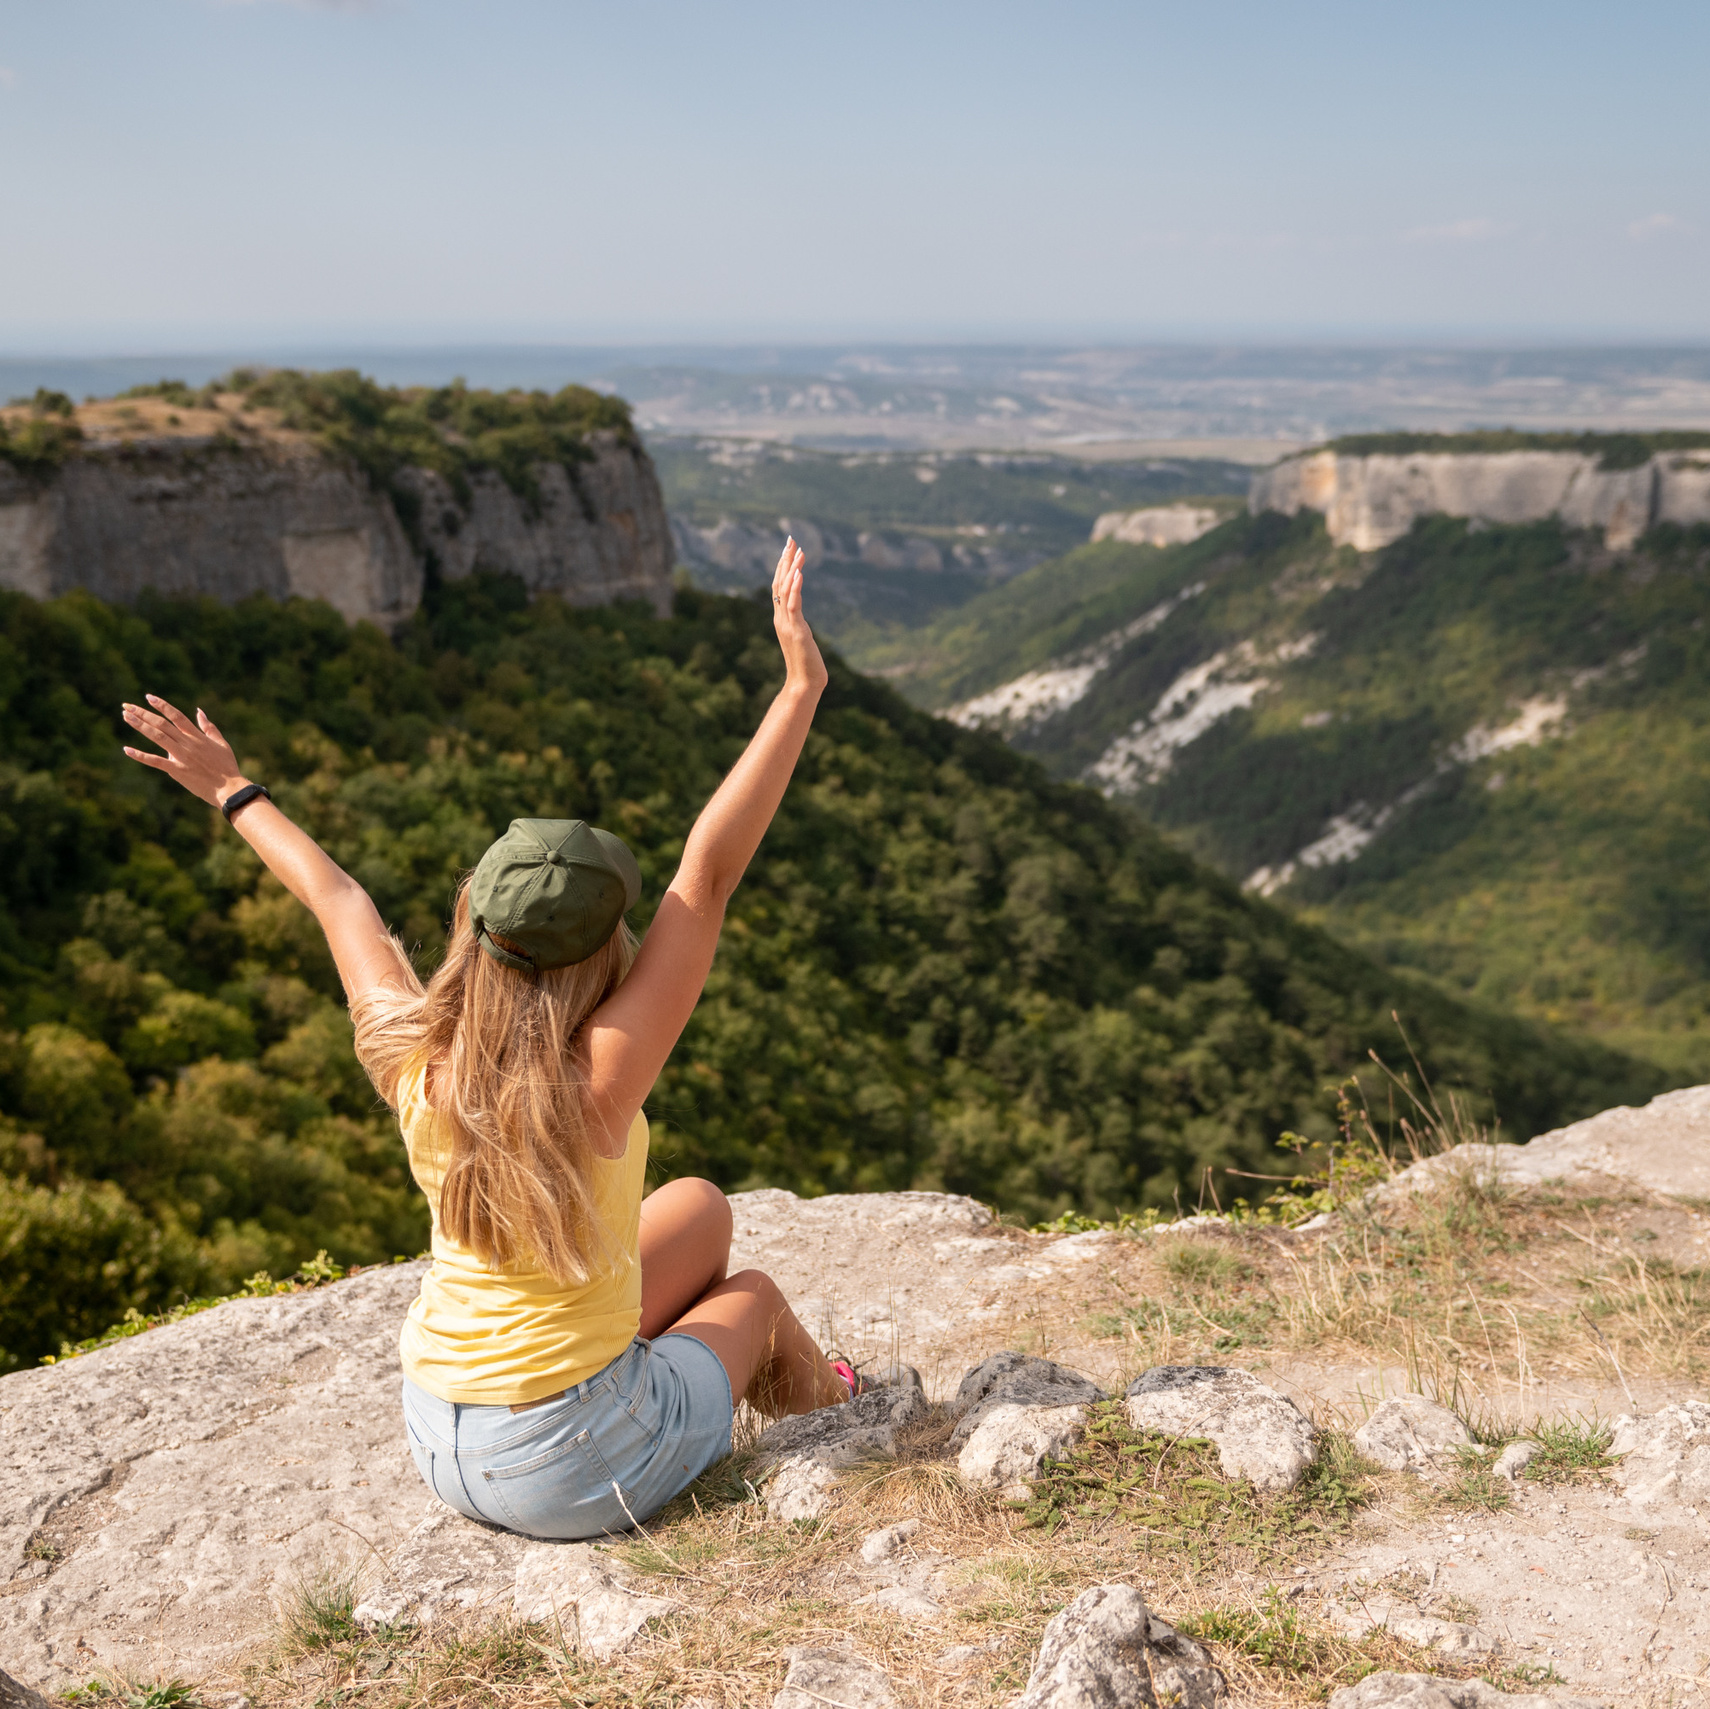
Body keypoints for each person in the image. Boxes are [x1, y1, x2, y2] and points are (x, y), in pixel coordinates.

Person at [120, 539, 864, 1540]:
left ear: (473, 918)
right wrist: (798, 687)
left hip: (440, 1433)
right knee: (758, 1298)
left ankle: (643, 1376)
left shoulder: (410, 1052)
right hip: (572, 1460)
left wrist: (231, 788)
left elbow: (338, 899)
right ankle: (846, 1423)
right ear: (605, 952)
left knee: (697, 1209)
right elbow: (708, 873)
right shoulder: (599, 1079)